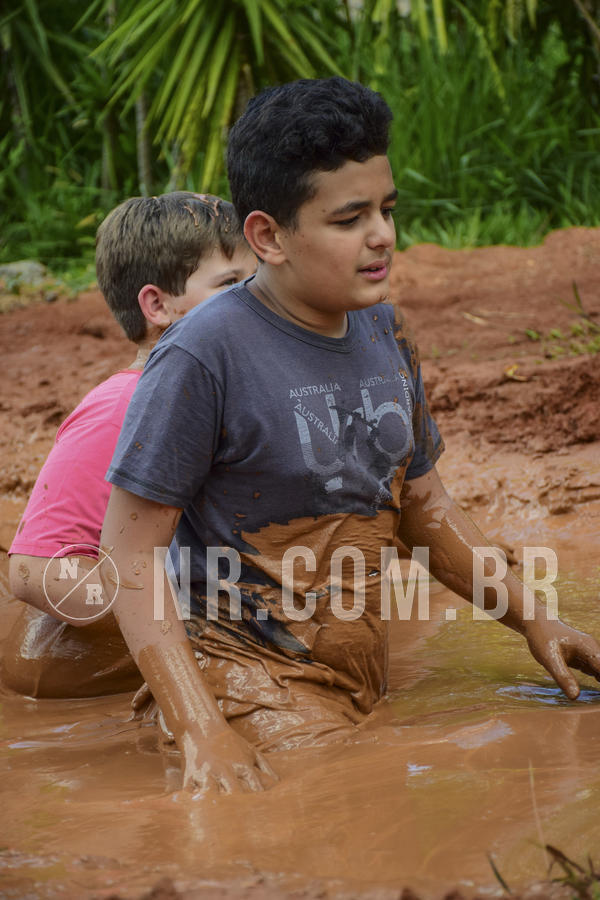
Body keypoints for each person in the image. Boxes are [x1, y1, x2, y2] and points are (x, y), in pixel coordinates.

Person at [99, 77, 600, 796]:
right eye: (349, 218)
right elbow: (127, 553)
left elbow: (422, 505)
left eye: (388, 210)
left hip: (353, 680)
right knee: (337, 816)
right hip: (248, 684)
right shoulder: (201, 355)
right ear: (267, 235)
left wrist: (535, 619)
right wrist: (201, 728)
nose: (383, 236)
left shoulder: (383, 329)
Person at [3, 192, 256, 698]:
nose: (255, 301)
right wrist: (174, 617)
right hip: (65, 662)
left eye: (258, 281)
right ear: (158, 305)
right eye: (231, 285)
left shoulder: (236, 392)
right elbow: (32, 570)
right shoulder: (123, 406)